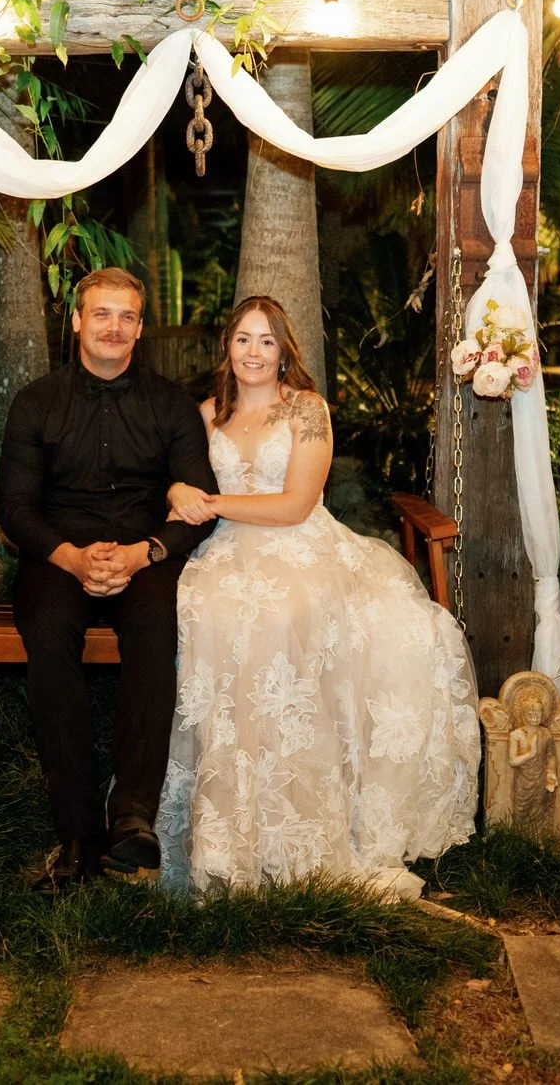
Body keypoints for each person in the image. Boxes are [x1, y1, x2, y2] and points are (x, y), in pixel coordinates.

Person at [157, 296, 480, 893]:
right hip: (224, 550)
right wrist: (180, 487)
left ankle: (296, 825)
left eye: (267, 341)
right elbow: (172, 475)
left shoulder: (308, 411)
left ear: (285, 352)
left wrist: (211, 501)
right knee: (207, 612)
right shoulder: (205, 414)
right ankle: (226, 835)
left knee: (281, 616)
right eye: (244, 339)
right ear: (227, 347)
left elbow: (295, 504)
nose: (254, 352)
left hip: (300, 545)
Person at [0, 267, 220, 888]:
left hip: (143, 555)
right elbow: (15, 506)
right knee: (45, 634)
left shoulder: (170, 404)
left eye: (126, 317)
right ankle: (75, 833)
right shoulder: (36, 403)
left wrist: (147, 551)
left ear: (140, 329)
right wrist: (68, 556)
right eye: (101, 314)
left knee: (156, 634)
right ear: (76, 321)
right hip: (58, 556)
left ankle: (133, 819)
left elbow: (201, 501)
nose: (113, 327)